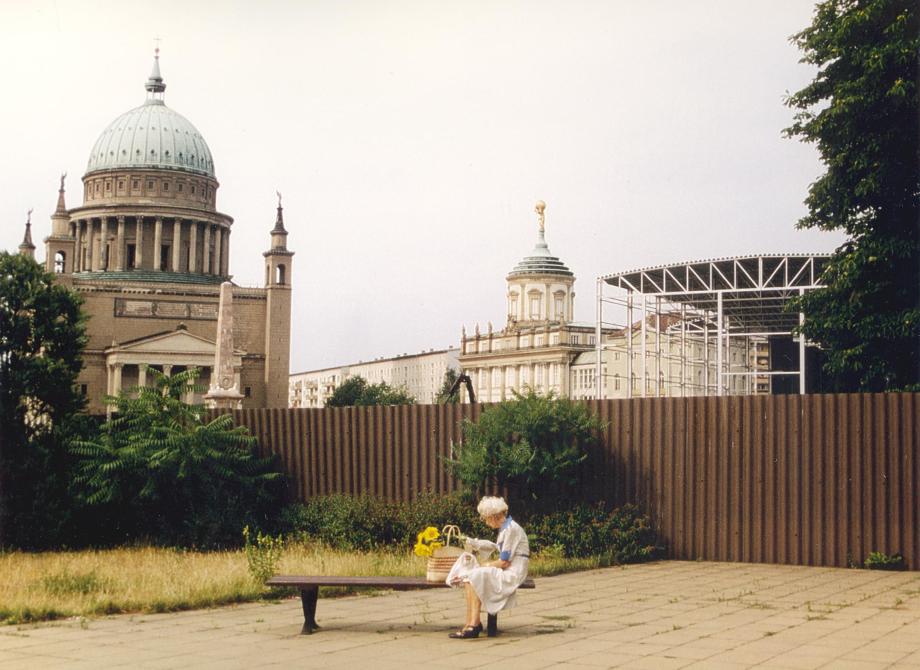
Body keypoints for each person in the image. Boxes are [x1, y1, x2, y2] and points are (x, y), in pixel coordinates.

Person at [448, 496, 530, 639]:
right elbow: (500, 548)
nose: (485, 522)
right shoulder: (506, 528)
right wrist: (477, 543)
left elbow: (504, 561)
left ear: (494, 517)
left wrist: (484, 565)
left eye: (485, 518)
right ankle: (472, 623)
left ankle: (473, 625)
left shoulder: (510, 529)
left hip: (513, 572)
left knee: (474, 574)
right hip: (509, 568)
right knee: (469, 577)